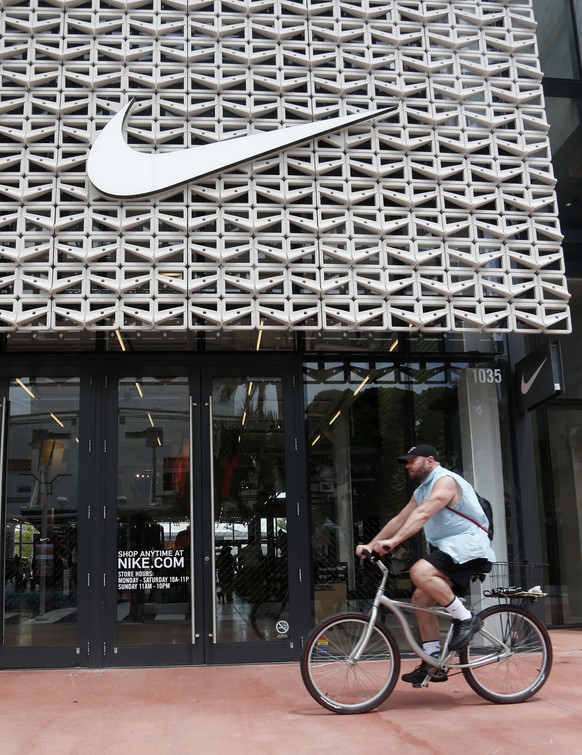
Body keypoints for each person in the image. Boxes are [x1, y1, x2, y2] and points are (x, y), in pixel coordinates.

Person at [356, 443, 495, 686]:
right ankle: (432, 662)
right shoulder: (421, 491)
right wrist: (371, 544)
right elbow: (400, 519)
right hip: (450, 550)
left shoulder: (446, 481)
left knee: (419, 571)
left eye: (411, 460)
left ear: (430, 461)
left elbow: (424, 514)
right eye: (406, 461)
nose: (407, 465)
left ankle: (466, 619)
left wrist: (393, 543)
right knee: (420, 600)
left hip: (468, 546)